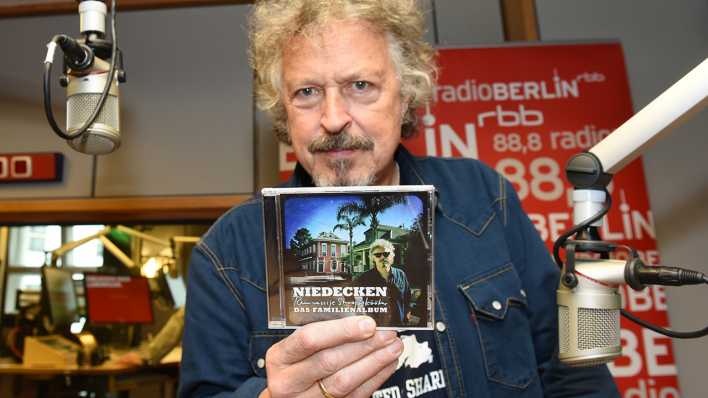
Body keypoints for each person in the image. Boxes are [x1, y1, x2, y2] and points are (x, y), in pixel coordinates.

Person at [180, 1, 620, 397]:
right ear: (283, 109)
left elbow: (574, 370)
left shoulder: (484, 199)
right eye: (307, 93)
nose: (333, 119)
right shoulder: (227, 254)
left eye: (361, 85)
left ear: (406, 93)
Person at [356, 239, 411, 326]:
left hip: (399, 325)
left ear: (391, 256)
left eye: (386, 254)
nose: (382, 257)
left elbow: (407, 297)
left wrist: (407, 314)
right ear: (373, 258)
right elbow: (354, 300)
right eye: (378, 255)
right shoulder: (364, 278)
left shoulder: (401, 274)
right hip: (376, 327)